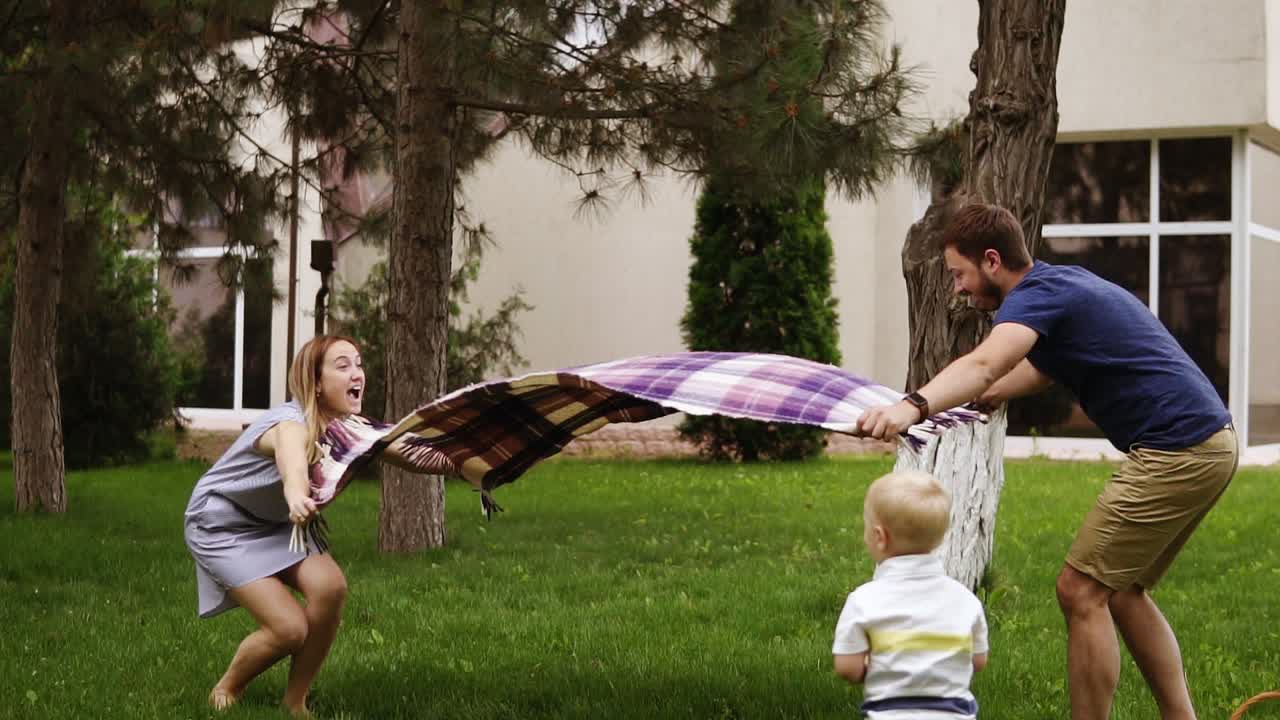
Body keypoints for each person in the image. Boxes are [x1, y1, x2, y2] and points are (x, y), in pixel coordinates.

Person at [857, 203, 1238, 720]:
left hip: (1177, 449)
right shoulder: (1061, 286)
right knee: (1122, 592)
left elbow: (988, 361)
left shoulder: (1037, 295)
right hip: (1207, 442)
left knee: (1080, 590)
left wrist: (913, 406)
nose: (958, 289)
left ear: (992, 260)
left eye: (959, 274)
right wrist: (984, 398)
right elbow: (1034, 370)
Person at [184, 335, 452, 715]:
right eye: (342, 366)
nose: (357, 373)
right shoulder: (289, 423)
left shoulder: (351, 429)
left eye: (358, 363)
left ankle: (295, 701)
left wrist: (481, 464)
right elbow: (292, 462)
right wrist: (295, 495)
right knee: (288, 629)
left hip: (281, 519)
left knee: (330, 587)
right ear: (316, 382)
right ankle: (227, 688)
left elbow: (414, 454)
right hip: (224, 524)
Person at [832, 470, 988, 718]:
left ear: (879, 537)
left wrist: (877, 667)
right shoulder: (966, 600)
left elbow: (847, 668)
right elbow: (978, 662)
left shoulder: (864, 600)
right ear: (939, 538)